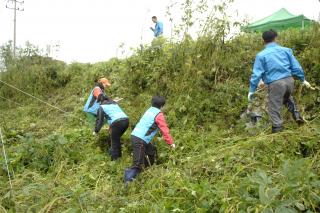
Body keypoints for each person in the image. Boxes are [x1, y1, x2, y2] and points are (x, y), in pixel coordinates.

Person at [248, 29, 312, 133]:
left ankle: (277, 132)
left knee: (274, 108)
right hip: (289, 81)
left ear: (263, 40)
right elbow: (296, 67)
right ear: (276, 38)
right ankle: (296, 115)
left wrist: (251, 90)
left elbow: (256, 75)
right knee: (287, 97)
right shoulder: (286, 50)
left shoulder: (261, 55)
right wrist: (303, 79)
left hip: (276, 84)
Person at [124, 96, 175, 183]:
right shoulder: (159, 114)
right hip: (140, 139)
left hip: (136, 136)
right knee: (137, 164)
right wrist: (171, 143)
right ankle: (127, 184)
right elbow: (164, 129)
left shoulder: (149, 110)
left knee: (152, 151)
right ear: (162, 106)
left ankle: (147, 170)